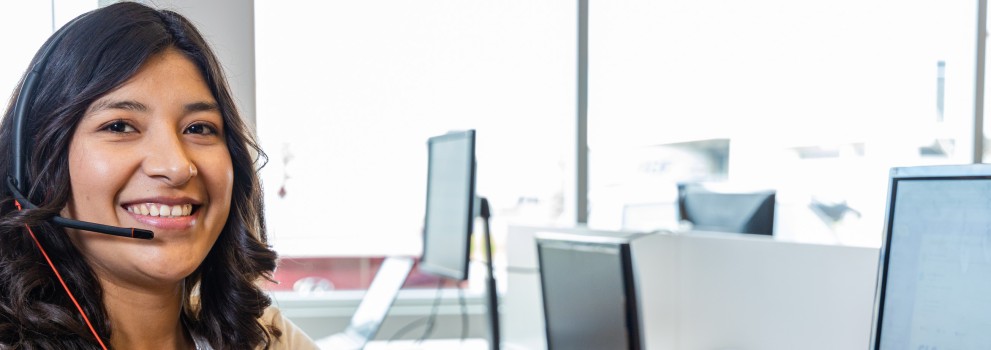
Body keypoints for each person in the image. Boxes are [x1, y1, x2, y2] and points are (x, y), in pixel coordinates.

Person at [0, 2, 318, 349]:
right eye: (120, 126)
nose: (177, 166)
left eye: (199, 128)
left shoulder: (265, 337)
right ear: (35, 162)